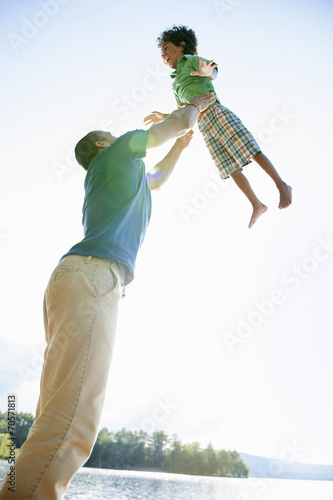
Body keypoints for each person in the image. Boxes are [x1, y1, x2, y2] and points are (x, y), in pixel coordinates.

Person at [0, 92, 215, 500]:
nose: (120, 136)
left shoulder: (118, 172)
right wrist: (195, 104)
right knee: (72, 420)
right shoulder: (120, 149)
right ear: (104, 143)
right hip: (92, 279)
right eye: (113, 135)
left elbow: (156, 179)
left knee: (57, 413)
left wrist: (181, 149)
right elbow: (180, 123)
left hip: (79, 279)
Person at [144, 25, 292, 228]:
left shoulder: (191, 61)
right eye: (162, 54)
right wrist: (163, 116)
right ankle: (256, 204)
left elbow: (213, 71)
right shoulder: (175, 83)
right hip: (204, 125)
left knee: (248, 149)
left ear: (181, 46)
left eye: (167, 49)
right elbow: (183, 111)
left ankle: (281, 184)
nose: (163, 55)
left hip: (215, 112)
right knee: (229, 167)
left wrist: (209, 72)